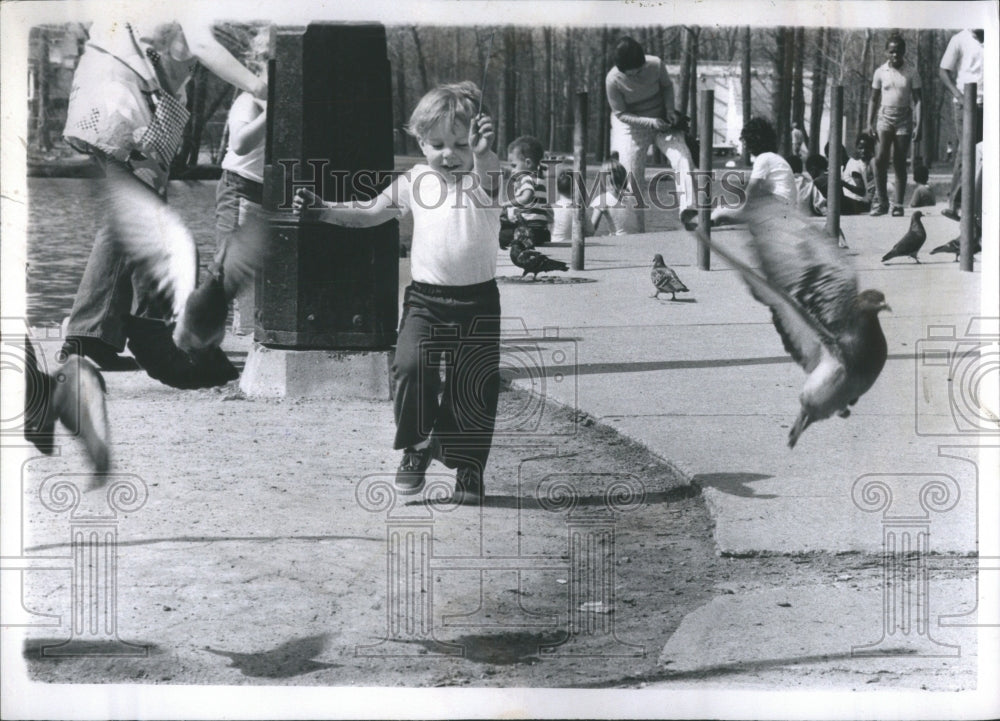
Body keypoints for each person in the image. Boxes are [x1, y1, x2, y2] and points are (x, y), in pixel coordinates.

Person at [292, 82, 501, 506]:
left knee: (473, 386)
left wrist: (482, 155)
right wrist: (322, 209)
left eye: (460, 144)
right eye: (438, 143)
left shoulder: (485, 178)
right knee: (410, 367)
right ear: (421, 142)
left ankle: (469, 467)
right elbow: (371, 212)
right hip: (426, 299)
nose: (449, 153)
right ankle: (417, 445)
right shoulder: (416, 180)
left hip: (478, 300)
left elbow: (490, 175)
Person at [61, 17, 268, 387]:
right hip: (120, 103)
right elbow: (202, 46)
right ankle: (97, 334)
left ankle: (106, 335)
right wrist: (260, 87)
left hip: (112, 98)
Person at [605, 36, 697, 232]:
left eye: (640, 69)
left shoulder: (655, 64)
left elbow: (667, 86)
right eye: (633, 73)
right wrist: (649, 122)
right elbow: (620, 114)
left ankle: (689, 211)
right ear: (622, 69)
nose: (637, 74)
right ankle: (637, 228)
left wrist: (671, 111)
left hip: (662, 120)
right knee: (631, 173)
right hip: (633, 125)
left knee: (683, 157)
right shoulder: (612, 80)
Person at [215, 28, 269, 334]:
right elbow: (239, 143)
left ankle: (247, 328)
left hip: (266, 191)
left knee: (255, 263)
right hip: (240, 188)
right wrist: (271, 113)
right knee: (228, 264)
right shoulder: (248, 101)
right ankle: (204, 335)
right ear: (257, 67)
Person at [867, 33, 922, 217]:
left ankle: (897, 204)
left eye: (898, 51)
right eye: (891, 52)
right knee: (881, 159)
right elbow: (873, 99)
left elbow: (918, 100)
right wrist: (869, 122)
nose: (895, 55)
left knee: (899, 161)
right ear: (886, 52)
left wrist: (918, 124)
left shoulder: (911, 71)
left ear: (904, 52)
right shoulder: (880, 72)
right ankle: (882, 201)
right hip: (884, 117)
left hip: (904, 118)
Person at [711, 116, 795, 225]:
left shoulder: (763, 159)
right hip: (784, 206)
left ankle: (707, 224)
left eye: (746, 142)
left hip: (777, 208)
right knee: (725, 211)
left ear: (753, 141)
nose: (745, 147)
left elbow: (749, 193)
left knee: (720, 213)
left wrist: (730, 211)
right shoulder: (774, 157)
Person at [939, 29, 984, 221]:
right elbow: (943, 71)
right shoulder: (959, 39)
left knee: (985, 153)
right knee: (966, 151)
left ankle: (980, 202)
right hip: (965, 103)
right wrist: (958, 95)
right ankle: (956, 204)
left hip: (990, 103)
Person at [500, 135, 552, 248]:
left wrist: (507, 204)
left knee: (499, 234)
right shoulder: (540, 180)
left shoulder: (526, 178)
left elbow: (526, 197)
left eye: (514, 165)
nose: (513, 170)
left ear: (528, 163)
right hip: (542, 233)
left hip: (528, 231)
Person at [590, 158, 640, 236]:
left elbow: (591, 229)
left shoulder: (602, 199)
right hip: (635, 237)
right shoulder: (631, 197)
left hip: (619, 240)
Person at [550, 169, 592, 243]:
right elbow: (591, 231)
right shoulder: (579, 209)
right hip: (573, 245)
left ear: (558, 188)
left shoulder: (552, 208)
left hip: (555, 244)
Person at [842, 133, 875, 215]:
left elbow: (863, 191)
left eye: (866, 148)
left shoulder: (865, 163)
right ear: (856, 148)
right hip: (855, 202)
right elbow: (861, 191)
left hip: (859, 203)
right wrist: (842, 184)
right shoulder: (855, 164)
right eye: (860, 148)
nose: (863, 151)